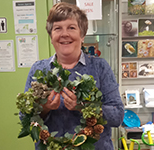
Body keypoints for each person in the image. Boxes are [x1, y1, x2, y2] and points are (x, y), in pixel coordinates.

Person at [24, 2, 124, 150]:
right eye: (58, 28)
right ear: (51, 36)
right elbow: (24, 117)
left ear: (82, 35)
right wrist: (44, 108)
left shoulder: (99, 67)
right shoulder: (39, 70)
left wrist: (83, 106)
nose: (65, 34)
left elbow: (117, 116)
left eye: (71, 27)